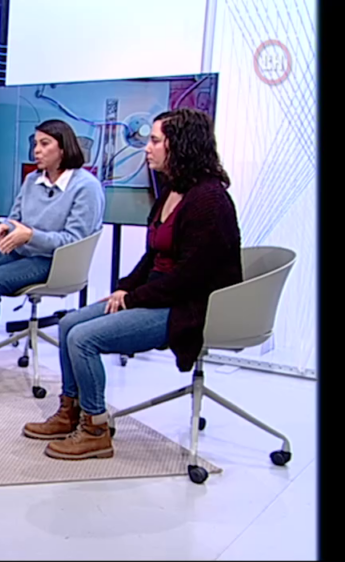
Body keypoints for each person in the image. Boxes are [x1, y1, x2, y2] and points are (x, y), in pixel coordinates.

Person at [23, 108, 242, 460]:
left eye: (155, 140)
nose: (147, 148)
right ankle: (70, 411)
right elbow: (153, 256)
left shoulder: (209, 200)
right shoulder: (172, 190)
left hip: (188, 306)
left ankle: (95, 429)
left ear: (180, 144)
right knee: (68, 324)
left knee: (84, 338)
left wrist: (134, 298)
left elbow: (190, 278)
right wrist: (125, 288)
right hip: (160, 294)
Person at [0, 119, 105, 400]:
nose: (36, 150)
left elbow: (74, 241)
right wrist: (5, 227)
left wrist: (30, 236)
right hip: (23, 253)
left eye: (44, 144)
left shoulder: (85, 187)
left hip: (56, 262)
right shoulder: (32, 180)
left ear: (63, 148)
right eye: (35, 143)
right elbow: (15, 217)